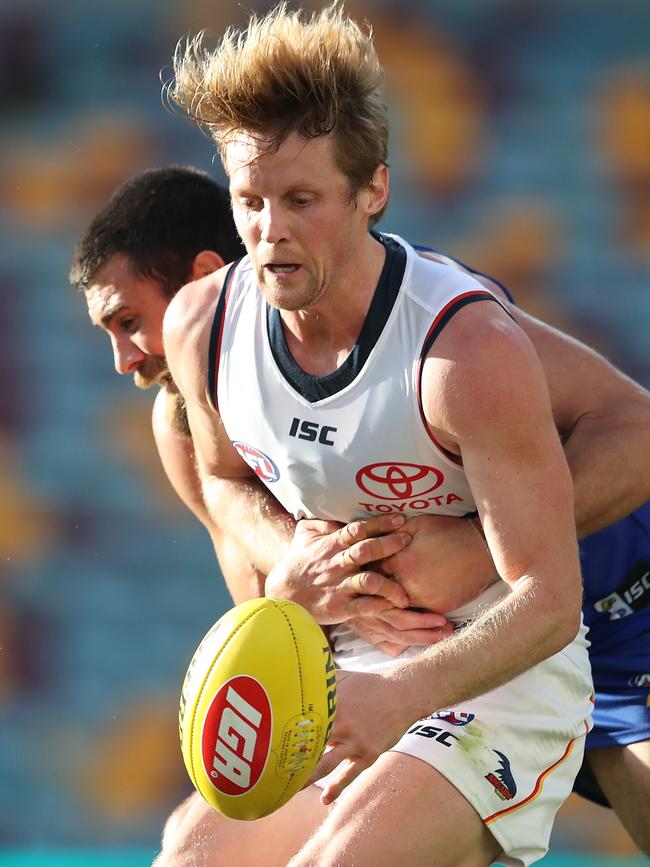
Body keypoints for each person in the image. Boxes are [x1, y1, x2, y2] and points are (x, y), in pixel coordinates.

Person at [150, 5, 645, 864]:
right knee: (188, 854)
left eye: (301, 200)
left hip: (501, 672)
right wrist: (298, 560)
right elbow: (224, 477)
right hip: (343, 664)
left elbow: (549, 603)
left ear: (372, 189)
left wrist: (405, 687)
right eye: (249, 201)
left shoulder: (466, 351)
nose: (269, 233)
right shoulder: (203, 325)